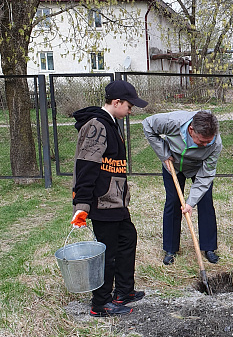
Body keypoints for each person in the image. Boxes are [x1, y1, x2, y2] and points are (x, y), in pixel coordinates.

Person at [71, 80, 147, 317]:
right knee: (108, 251)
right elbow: (86, 166)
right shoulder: (97, 126)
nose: (130, 110)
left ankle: (123, 291)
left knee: (127, 238)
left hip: (116, 201)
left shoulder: (112, 124)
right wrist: (82, 205)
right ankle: (101, 303)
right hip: (102, 201)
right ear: (116, 102)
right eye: (129, 105)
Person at [142, 110, 222, 266]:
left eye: (209, 141)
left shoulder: (216, 144)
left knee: (205, 202)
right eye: (201, 141)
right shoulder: (173, 122)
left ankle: (209, 248)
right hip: (172, 164)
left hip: (199, 167)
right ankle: (170, 249)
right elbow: (147, 125)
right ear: (191, 130)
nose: (205, 145)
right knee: (172, 202)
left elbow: (206, 176)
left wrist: (190, 203)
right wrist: (163, 154)